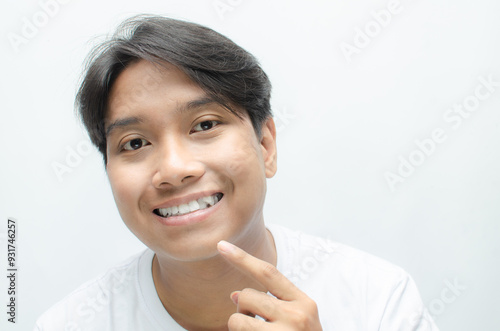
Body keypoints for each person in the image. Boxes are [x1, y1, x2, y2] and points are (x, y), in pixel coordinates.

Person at [34, 15, 439, 330]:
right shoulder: (68, 324)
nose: (174, 170)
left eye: (205, 125)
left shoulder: (378, 300)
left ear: (266, 145)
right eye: (135, 143)